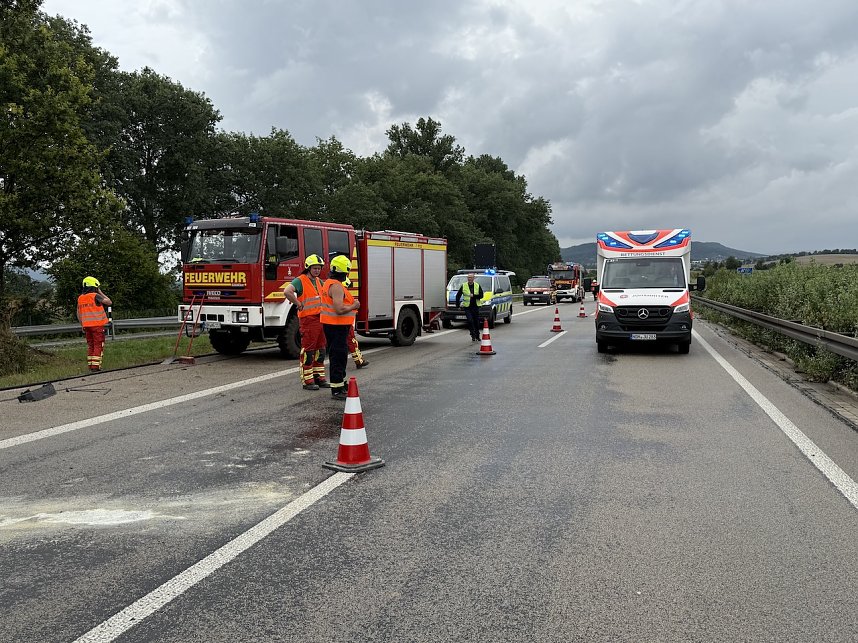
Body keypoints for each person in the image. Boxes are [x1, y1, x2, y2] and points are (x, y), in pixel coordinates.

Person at [283, 254, 329, 390]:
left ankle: (319, 378)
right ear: (308, 268)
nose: (317, 270)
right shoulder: (300, 281)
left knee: (321, 350)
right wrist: (297, 303)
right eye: (314, 268)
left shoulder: (319, 281)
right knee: (308, 351)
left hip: (320, 319)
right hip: (308, 320)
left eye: (319, 268)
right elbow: (287, 291)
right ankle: (308, 381)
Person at [320, 256, 360, 400]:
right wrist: (354, 306)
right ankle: (337, 389)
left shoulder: (329, 283)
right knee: (338, 356)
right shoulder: (336, 286)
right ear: (345, 271)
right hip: (336, 327)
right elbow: (338, 309)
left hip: (333, 326)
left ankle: (340, 384)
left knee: (339, 356)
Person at [76, 276, 112, 372]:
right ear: (95, 286)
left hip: (86, 326)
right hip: (97, 326)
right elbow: (109, 302)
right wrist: (100, 291)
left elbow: (78, 313)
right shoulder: (95, 296)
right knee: (98, 345)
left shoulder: (80, 298)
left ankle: (91, 366)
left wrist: (82, 325)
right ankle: (96, 367)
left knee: (91, 345)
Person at [344, 278, 369, 369]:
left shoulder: (339, 294)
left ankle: (359, 361)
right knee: (352, 342)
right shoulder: (345, 296)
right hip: (346, 323)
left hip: (342, 323)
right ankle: (359, 361)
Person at [455, 272, 484, 341]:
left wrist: (474, 295)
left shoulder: (477, 285)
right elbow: (458, 296)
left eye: (471, 277)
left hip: (475, 306)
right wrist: (458, 305)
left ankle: (477, 335)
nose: (469, 279)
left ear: (473, 278)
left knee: (476, 321)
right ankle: (472, 334)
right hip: (467, 307)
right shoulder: (464, 285)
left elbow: (481, 295)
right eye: (468, 277)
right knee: (470, 320)